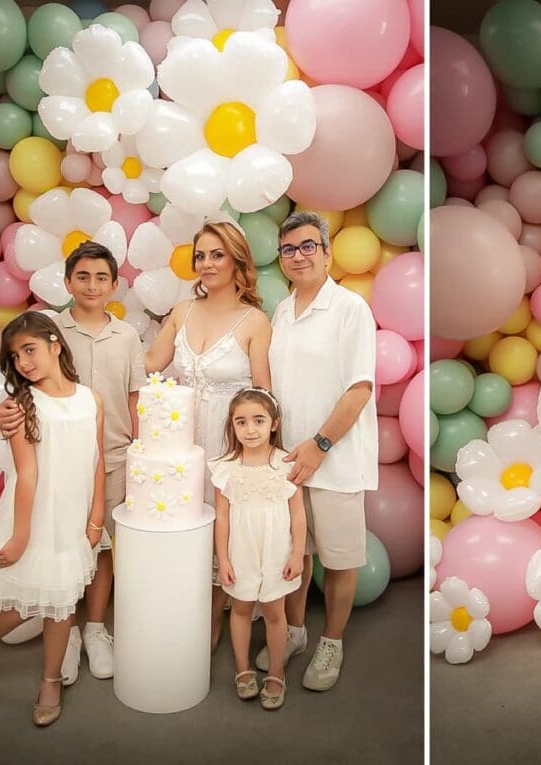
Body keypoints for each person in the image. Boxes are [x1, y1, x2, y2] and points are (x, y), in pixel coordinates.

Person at [0, 242, 144, 684]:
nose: (92, 285)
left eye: (101, 278)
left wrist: (139, 449)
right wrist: (0, 413)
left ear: (114, 285)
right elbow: (20, 387)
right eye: (83, 277)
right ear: (67, 282)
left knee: (100, 545)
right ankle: (67, 629)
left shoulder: (127, 336)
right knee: (61, 546)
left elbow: (134, 397)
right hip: (57, 465)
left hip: (112, 458)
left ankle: (95, 628)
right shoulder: (49, 330)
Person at [0, 312, 105, 727]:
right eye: (15, 357)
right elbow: (28, 474)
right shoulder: (23, 405)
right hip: (34, 515)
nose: (23, 362)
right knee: (20, 606)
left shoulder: (92, 400)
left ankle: (50, 680)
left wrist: (96, 516)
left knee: (63, 601)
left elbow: (96, 461)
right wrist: (20, 535)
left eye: (29, 350)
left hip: (73, 515)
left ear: (55, 343)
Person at [260, 210, 377, 692]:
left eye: (308, 246)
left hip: (335, 458)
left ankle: (332, 641)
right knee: (297, 553)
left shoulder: (350, 308)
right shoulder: (282, 312)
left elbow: (360, 388)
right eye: (289, 249)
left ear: (327, 254)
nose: (298, 256)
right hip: (288, 461)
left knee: (340, 559)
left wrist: (320, 444)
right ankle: (294, 632)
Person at [143, 216, 272, 648]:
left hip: (227, 446)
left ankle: (214, 617)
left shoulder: (255, 321)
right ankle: (178, 608)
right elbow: (149, 364)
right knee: (181, 524)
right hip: (179, 446)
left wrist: (253, 456)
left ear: (237, 261)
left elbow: (263, 395)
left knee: (223, 531)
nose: (207, 264)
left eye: (217, 255)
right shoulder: (182, 312)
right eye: (200, 256)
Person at [210, 388, 306, 709]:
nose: (250, 429)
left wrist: (297, 554)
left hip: (277, 551)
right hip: (242, 550)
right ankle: (243, 669)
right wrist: (223, 559)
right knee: (240, 609)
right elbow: (222, 517)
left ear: (274, 424)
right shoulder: (225, 468)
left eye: (258, 420)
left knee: (274, 612)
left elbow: (298, 514)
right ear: (232, 426)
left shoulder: (286, 464)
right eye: (241, 422)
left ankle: (276, 673)